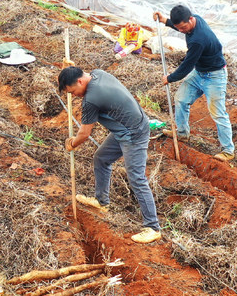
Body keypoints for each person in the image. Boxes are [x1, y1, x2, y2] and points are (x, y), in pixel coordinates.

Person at [59, 67, 162, 244]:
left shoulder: (91, 100)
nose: (74, 96)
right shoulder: (98, 73)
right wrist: (69, 67)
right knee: (101, 158)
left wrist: (72, 143)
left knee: (137, 178)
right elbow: (77, 75)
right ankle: (101, 201)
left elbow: (84, 134)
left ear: (80, 82)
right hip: (125, 128)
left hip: (133, 134)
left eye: (72, 91)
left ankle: (153, 228)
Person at [154, 5, 234, 161]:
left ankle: (228, 151)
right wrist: (165, 21)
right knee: (181, 99)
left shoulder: (198, 39)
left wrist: (170, 78)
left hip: (215, 76)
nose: (182, 31)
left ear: (190, 19)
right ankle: (182, 133)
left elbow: (186, 66)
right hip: (199, 72)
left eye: (183, 28)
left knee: (218, 113)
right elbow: (181, 26)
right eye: (179, 28)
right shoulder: (194, 20)